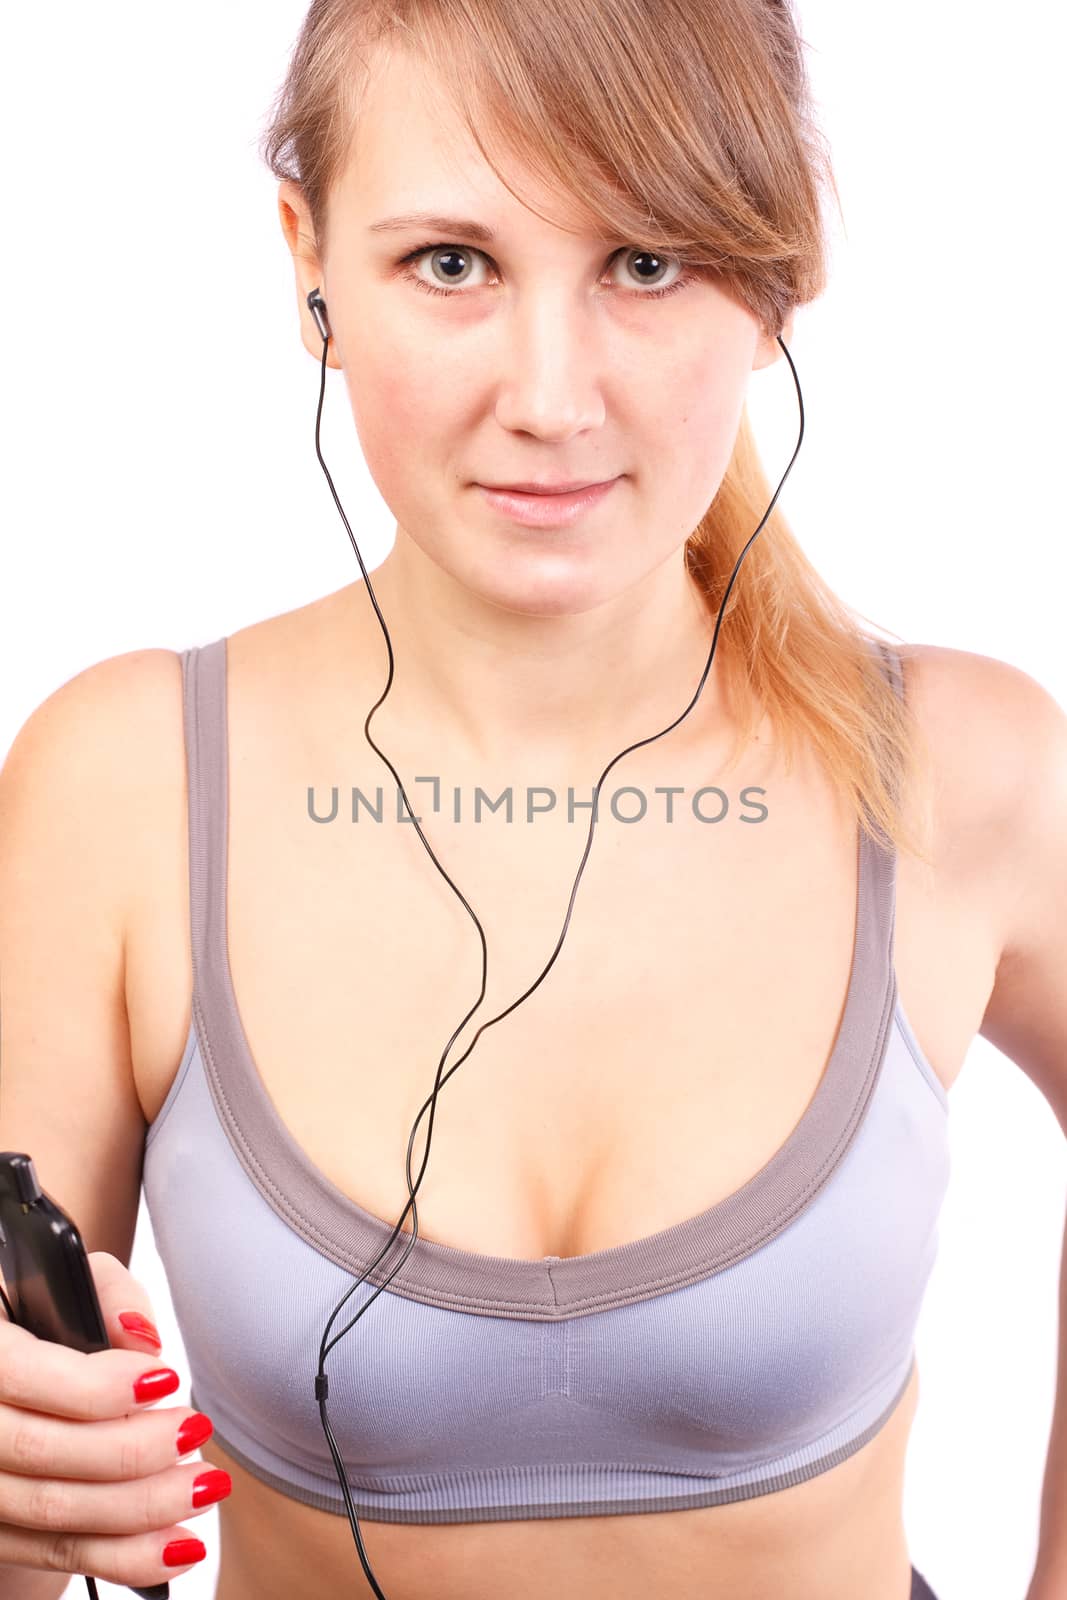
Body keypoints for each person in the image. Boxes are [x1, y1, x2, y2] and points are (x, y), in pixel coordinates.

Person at [1, 3, 1065, 1599]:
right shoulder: (122, 784)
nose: (551, 398)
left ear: (779, 278)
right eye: (450, 263)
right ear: (311, 261)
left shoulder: (965, 770)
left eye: (644, 263)